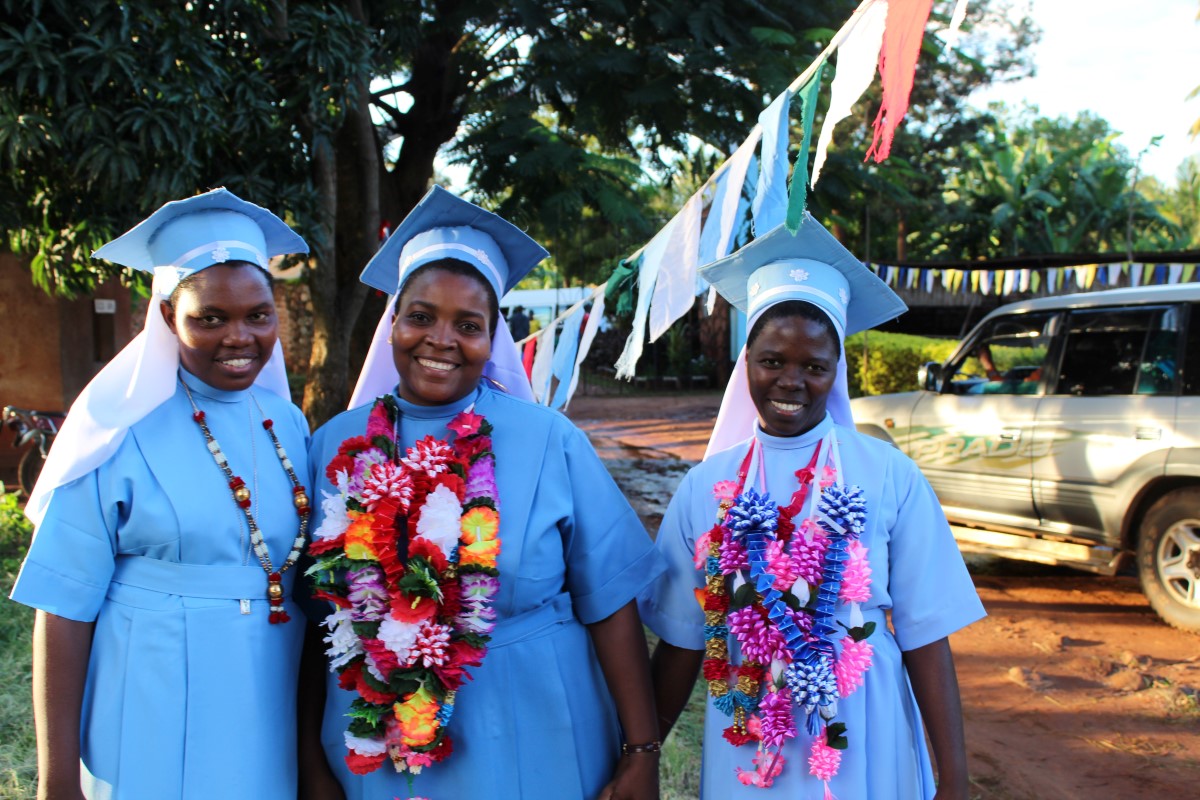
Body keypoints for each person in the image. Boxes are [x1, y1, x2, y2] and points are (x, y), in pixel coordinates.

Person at [300, 186, 664, 800]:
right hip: (375, 733)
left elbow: (609, 604)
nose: (440, 340)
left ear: (493, 337)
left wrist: (642, 750)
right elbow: (317, 621)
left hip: (536, 722)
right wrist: (310, 758)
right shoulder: (337, 446)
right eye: (420, 316)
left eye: (468, 325)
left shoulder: (549, 440)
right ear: (392, 323)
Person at [639, 216, 985, 799]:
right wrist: (640, 755)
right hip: (751, 715)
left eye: (815, 366)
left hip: (861, 719)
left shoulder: (888, 474)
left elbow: (927, 633)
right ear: (744, 361)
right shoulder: (706, 487)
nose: (791, 381)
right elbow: (681, 637)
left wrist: (953, 780)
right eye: (772, 360)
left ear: (836, 371)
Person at [9, 188, 313, 798]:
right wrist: (56, 780)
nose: (240, 336)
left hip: (269, 696)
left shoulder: (290, 423)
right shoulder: (116, 431)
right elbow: (63, 610)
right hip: (153, 699)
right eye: (211, 318)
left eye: (258, 314)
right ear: (168, 318)